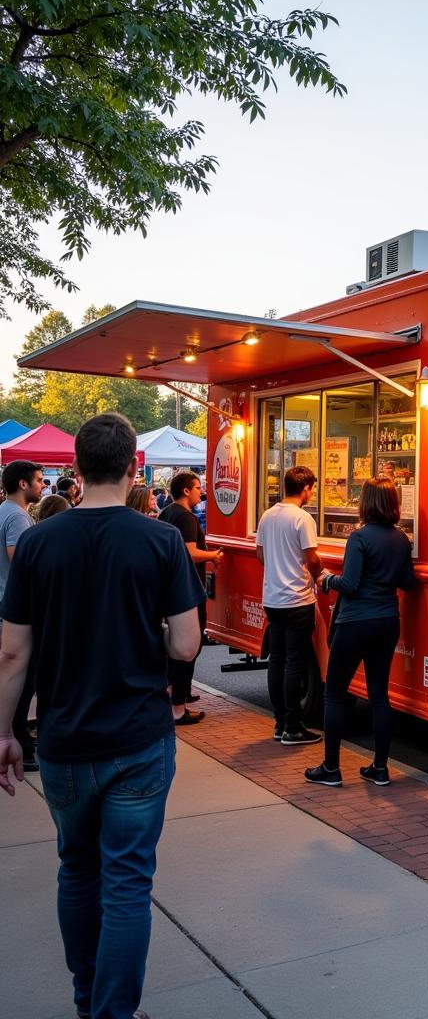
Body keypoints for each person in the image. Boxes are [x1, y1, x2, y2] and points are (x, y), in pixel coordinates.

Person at [0, 412, 204, 1019]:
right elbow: (187, 646)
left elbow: (13, 651)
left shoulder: (37, 540)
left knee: (77, 871)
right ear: (133, 465)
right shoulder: (161, 541)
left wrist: (5, 732)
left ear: (77, 469)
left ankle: (87, 998)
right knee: (126, 886)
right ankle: (111, 1013)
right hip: (138, 739)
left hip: (63, 741)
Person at [306, 477, 414, 788]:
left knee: (335, 693)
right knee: (380, 695)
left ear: (366, 503)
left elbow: (350, 584)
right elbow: (407, 582)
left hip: (355, 622)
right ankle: (380, 768)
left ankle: (331, 768)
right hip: (387, 621)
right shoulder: (401, 540)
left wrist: (327, 580)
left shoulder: (359, 538)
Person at [255, 465, 323, 745]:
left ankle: (280, 722)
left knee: (277, 661)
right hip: (297, 599)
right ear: (305, 488)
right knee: (295, 662)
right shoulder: (302, 519)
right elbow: (312, 558)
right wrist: (318, 574)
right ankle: (293, 727)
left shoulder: (267, 516)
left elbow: (260, 555)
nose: (312, 493)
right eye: (312, 488)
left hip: (272, 599)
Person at [159, 472, 223, 723]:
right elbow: (190, 552)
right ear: (186, 491)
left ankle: (177, 692)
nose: (201, 492)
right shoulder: (185, 516)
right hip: (186, 588)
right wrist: (213, 556)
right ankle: (179, 705)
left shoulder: (166, 513)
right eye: (197, 488)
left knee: (171, 644)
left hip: (169, 588)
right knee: (188, 646)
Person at [0, 459, 45, 772]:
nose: (43, 485)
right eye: (39, 480)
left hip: (5, 606)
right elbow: (21, 563)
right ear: (23, 484)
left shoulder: (5, 511)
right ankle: (23, 747)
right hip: (14, 610)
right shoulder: (17, 517)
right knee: (22, 682)